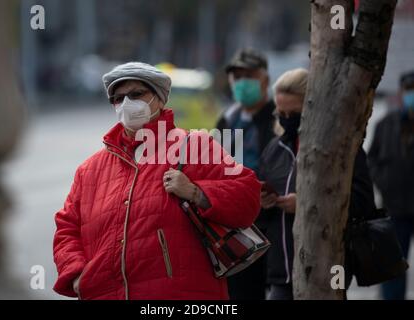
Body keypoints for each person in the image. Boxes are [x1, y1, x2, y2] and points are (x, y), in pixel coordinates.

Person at [52, 62, 261, 300]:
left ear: (160, 100)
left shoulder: (194, 147)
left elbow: (248, 197)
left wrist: (196, 192)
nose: (127, 104)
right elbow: (67, 228)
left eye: (136, 94)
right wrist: (78, 275)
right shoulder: (89, 169)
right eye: (118, 98)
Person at [259, 68, 376, 300]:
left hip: (329, 265)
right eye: (280, 112)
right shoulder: (275, 150)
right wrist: (262, 203)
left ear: (312, 107)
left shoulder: (340, 147)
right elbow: (260, 217)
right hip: (282, 269)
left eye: (294, 113)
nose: (286, 119)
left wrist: (304, 204)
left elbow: (363, 202)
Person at [216, 48, 276, 300]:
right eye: (236, 77)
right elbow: (213, 166)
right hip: (235, 223)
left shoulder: (280, 117)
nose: (241, 83)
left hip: (272, 219)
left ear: (265, 79)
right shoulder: (227, 120)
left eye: (248, 75)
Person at [368, 70, 414, 300]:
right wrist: (384, 182)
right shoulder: (387, 124)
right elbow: (372, 159)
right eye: (409, 91)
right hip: (395, 207)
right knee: (393, 265)